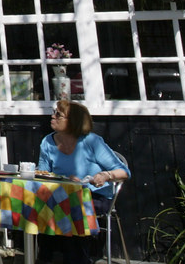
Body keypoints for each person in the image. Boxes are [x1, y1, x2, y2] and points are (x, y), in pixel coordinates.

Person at [35, 100, 130, 264]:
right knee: (39, 204)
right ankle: (45, 258)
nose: (52, 116)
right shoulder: (48, 142)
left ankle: (77, 259)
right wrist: (64, 180)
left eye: (58, 114)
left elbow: (124, 172)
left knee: (71, 206)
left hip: (95, 195)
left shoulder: (91, 141)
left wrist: (105, 175)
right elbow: (43, 173)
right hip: (61, 194)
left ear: (73, 121)